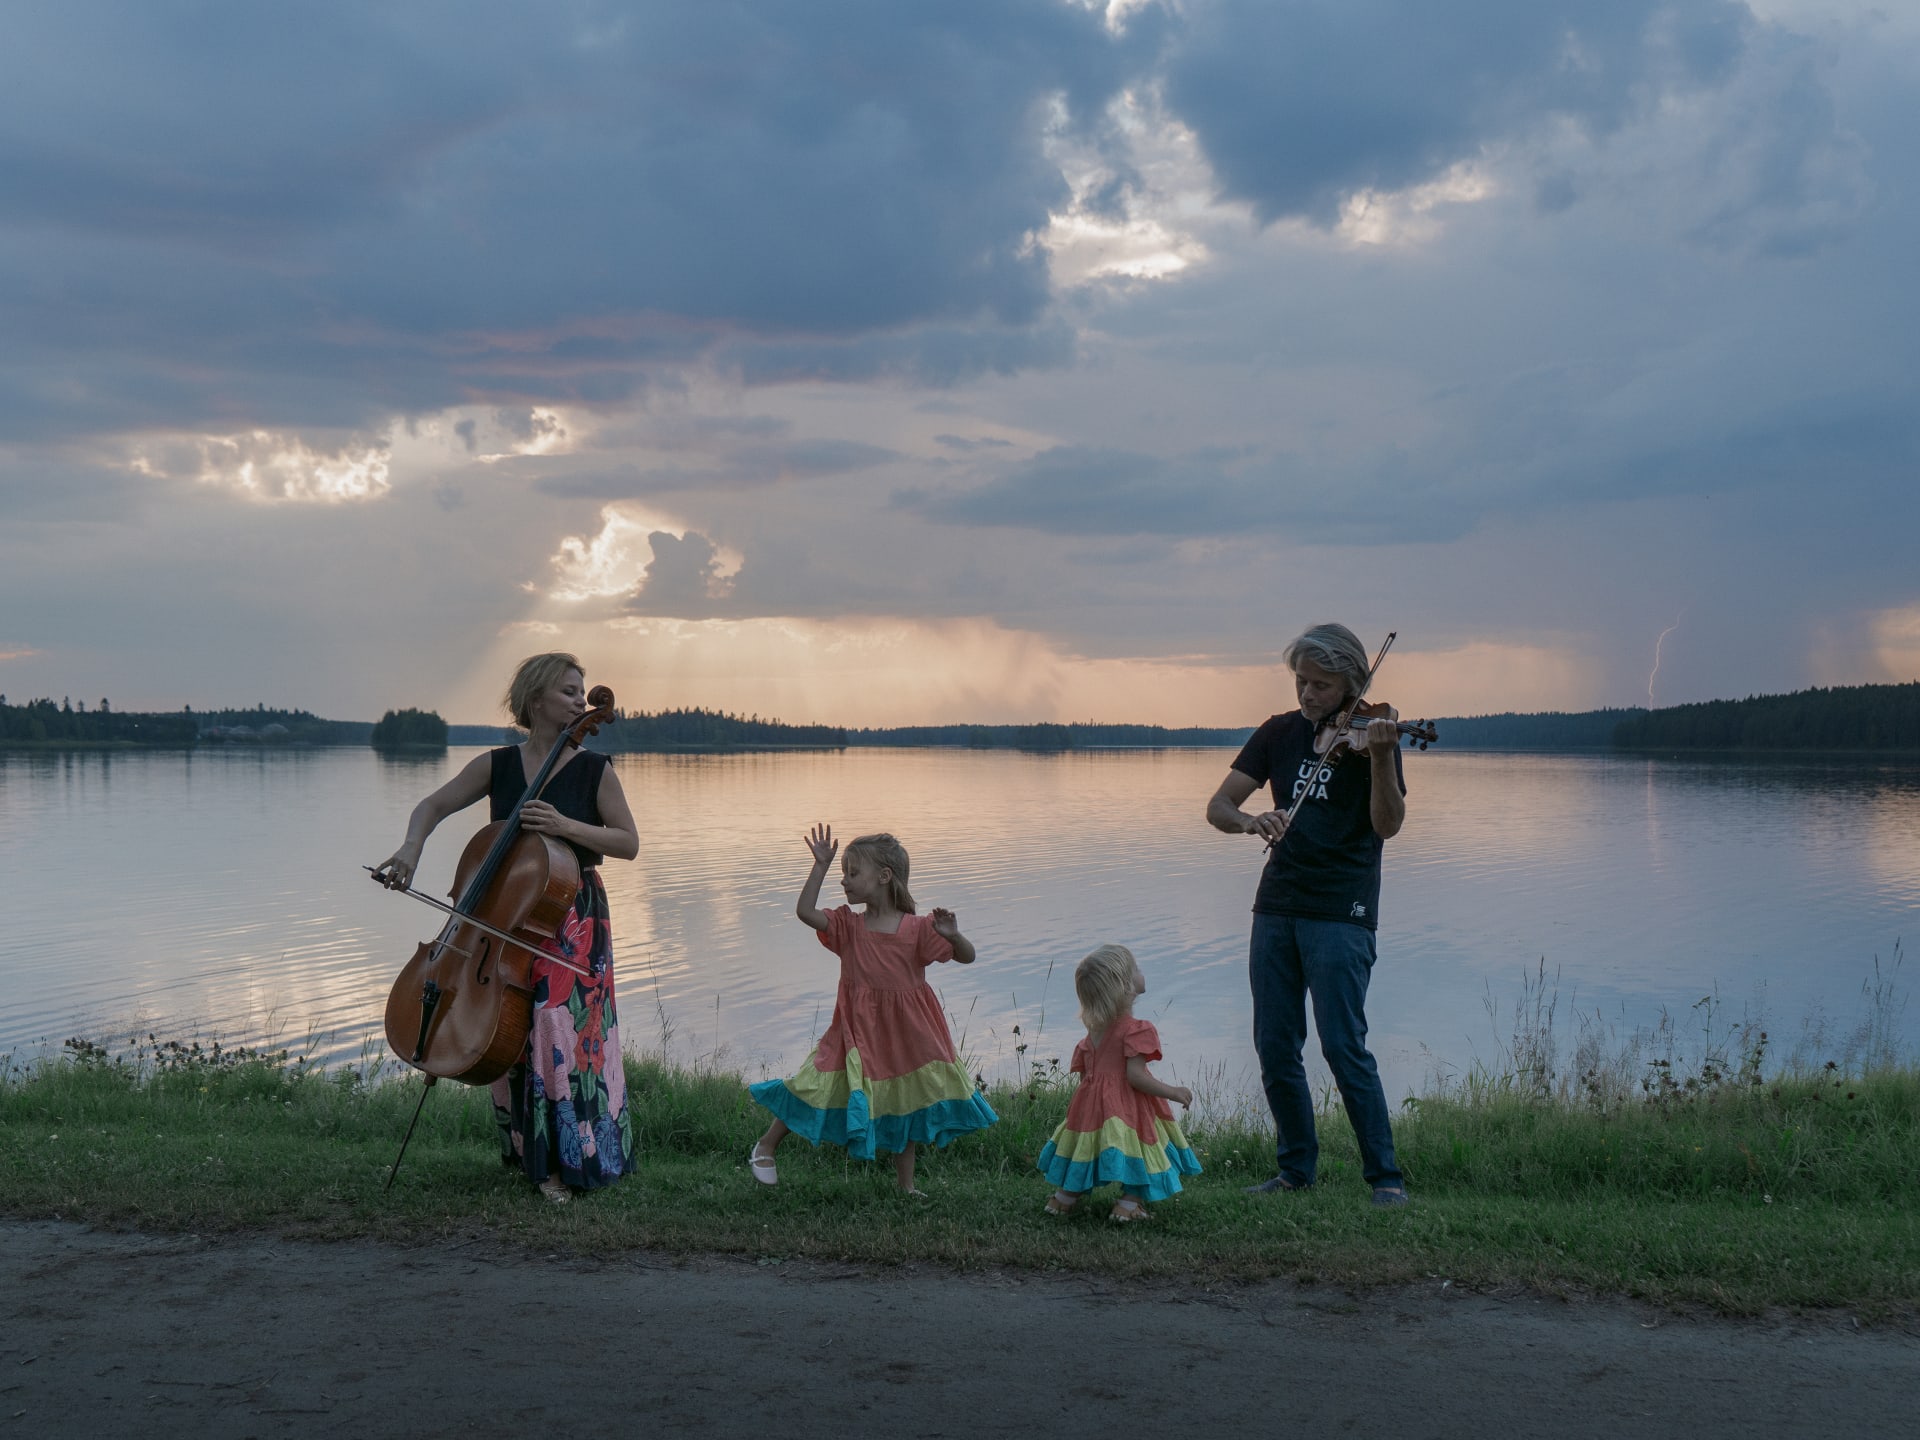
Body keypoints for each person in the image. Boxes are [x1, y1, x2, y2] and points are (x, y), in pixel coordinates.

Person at [372, 652, 640, 1203]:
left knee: (559, 1033)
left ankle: (572, 1160)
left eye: (581, 691)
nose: (579, 700)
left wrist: (566, 825)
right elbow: (433, 803)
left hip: (571, 917)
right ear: (536, 698)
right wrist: (411, 845)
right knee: (511, 1032)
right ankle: (529, 1154)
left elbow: (628, 842)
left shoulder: (594, 768)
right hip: (502, 915)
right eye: (568, 690)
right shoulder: (499, 764)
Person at [1205, 622, 1410, 1206]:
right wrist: (1251, 822)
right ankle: (1296, 1171)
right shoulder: (1277, 733)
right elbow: (1219, 805)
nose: (1308, 694)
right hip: (1276, 906)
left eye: (1321, 684)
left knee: (1344, 1045)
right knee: (1274, 1044)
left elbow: (1387, 826)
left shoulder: (1374, 734)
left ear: (1351, 682)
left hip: (1342, 913)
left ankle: (1385, 1179)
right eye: (1302, 681)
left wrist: (1381, 758)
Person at [748, 825, 997, 1196]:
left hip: (907, 1034)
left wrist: (953, 935)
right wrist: (819, 866)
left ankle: (906, 1186)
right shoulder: (849, 926)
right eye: (843, 873)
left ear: (884, 877)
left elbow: (967, 956)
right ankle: (766, 1146)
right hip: (853, 1030)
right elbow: (804, 911)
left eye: (852, 873)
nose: (845, 881)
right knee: (814, 1083)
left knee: (907, 1097)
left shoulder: (918, 928)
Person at [1036, 944, 1200, 1223]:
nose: (1141, 972)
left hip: (1090, 1106)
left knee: (1086, 1148)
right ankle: (1128, 1205)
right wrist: (1174, 1092)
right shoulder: (1138, 1029)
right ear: (1125, 986)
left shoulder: (1093, 1033)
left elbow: (1085, 1076)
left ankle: (1062, 1199)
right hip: (1127, 1106)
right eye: (1136, 968)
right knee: (1142, 1148)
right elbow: (1135, 1076)